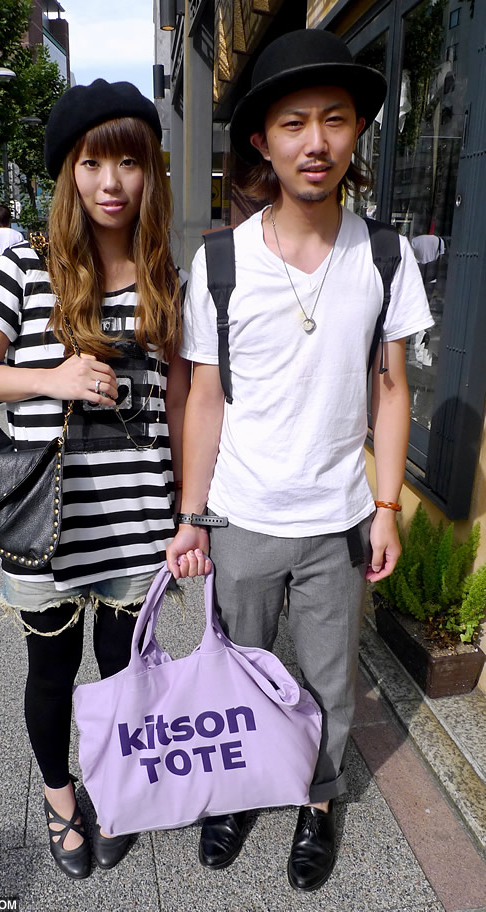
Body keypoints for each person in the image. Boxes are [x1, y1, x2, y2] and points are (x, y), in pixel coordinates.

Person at [167, 29, 433, 891]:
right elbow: (204, 396)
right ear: (263, 141)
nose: (314, 142)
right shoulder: (218, 263)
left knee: (327, 681)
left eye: (333, 120)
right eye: (293, 124)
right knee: (237, 666)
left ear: (356, 131)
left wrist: (386, 504)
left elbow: (392, 390)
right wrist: (191, 514)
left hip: (336, 520)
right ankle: (238, 790)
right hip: (242, 515)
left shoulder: (385, 256)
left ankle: (317, 803)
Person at [0, 80, 189, 880]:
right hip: (47, 522)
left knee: (124, 672)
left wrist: (187, 513)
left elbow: (183, 400)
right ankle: (62, 799)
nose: (113, 181)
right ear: (70, 172)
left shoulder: (165, 272)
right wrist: (50, 379)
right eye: (95, 162)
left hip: (136, 517)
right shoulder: (24, 266)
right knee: (51, 671)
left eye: (131, 161)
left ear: (150, 171)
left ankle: (114, 785)